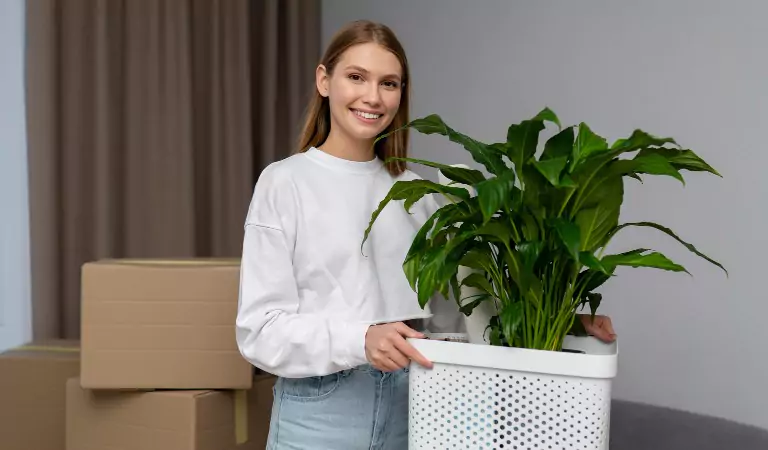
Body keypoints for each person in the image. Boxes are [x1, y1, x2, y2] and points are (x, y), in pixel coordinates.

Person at [235, 19, 616, 450]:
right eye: (356, 77)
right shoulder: (286, 182)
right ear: (324, 81)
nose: (372, 97)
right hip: (321, 412)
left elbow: (462, 316)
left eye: (389, 83)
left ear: (402, 94)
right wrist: (360, 339)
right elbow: (260, 331)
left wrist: (561, 325)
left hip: (413, 402)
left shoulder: (419, 195)